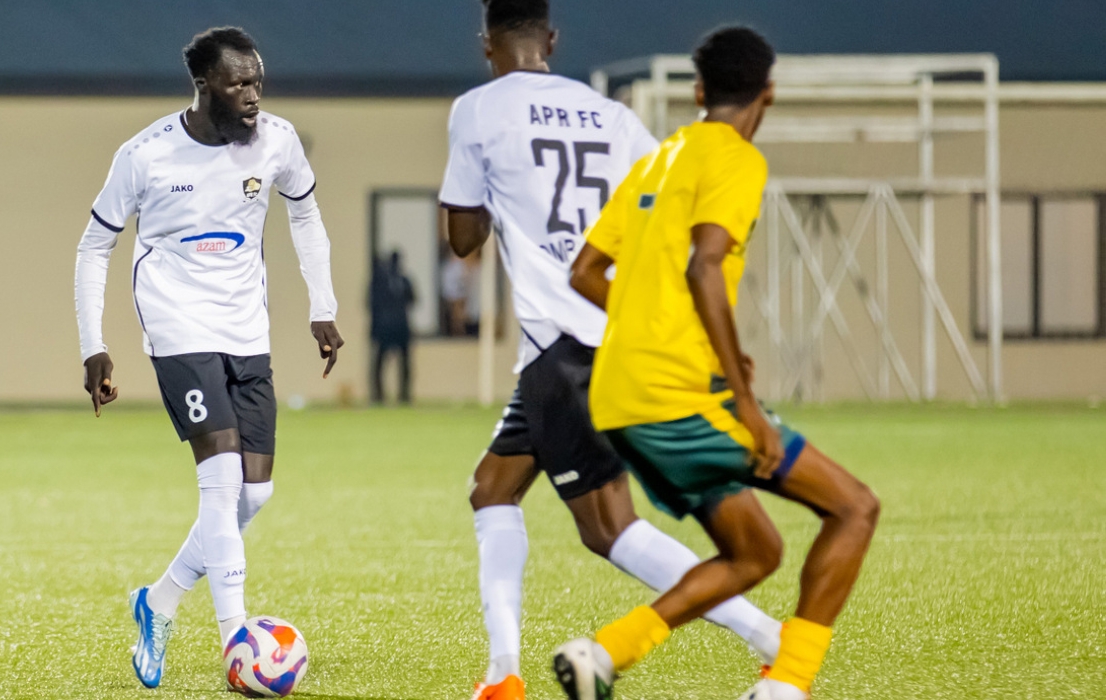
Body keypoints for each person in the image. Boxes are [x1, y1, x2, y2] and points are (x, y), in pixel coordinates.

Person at [439, 3, 782, 698]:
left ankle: (769, 637)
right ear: (552, 41)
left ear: (487, 46)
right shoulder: (613, 115)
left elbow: (463, 240)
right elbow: (667, 216)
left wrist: (486, 200)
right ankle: (502, 675)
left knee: (609, 529)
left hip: (561, 348)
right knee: (492, 489)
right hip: (618, 330)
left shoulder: (477, 110)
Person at [556, 27, 880, 700]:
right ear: (769, 94)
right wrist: (748, 404)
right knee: (854, 508)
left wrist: (661, 330)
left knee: (756, 552)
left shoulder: (659, 158)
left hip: (619, 394)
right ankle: (786, 687)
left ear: (699, 91)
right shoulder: (736, 159)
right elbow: (706, 264)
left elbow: (585, 272)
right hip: (680, 395)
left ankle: (604, 654)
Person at [73, 26, 344, 690]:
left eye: (258, 81)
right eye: (238, 83)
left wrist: (322, 304)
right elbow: (93, 247)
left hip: (247, 329)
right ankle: (238, 644)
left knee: (256, 492)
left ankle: (158, 601)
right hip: (177, 328)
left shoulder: (276, 141)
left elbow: (305, 215)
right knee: (221, 485)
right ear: (203, 86)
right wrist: (94, 346)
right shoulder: (145, 156)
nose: (253, 95)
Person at [370, 250, 415, 403]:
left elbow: (413, 299)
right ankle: (379, 395)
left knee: (402, 363)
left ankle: (403, 395)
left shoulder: (403, 281)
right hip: (388, 327)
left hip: (398, 326)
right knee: (381, 363)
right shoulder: (382, 282)